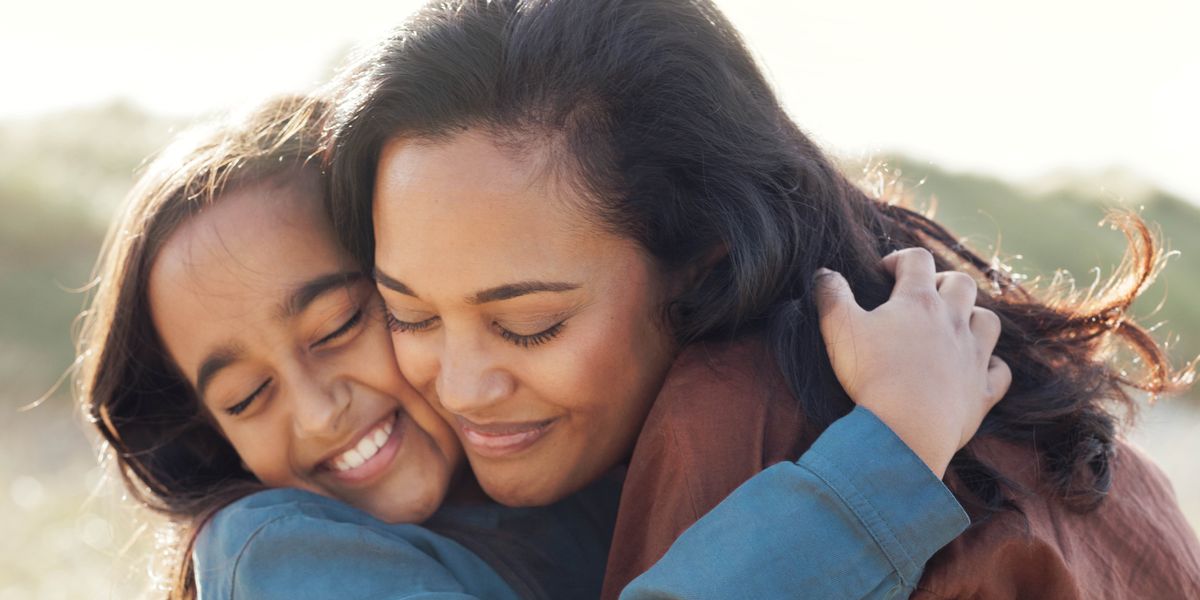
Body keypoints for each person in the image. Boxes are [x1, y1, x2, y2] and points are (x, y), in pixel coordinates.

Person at [323, 0, 1200, 597]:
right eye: (410, 314)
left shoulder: (740, 427)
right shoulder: (953, 366)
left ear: (702, 262)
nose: (462, 386)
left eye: (529, 325)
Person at [80, 94, 1003, 600]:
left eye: (337, 328)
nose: (319, 411)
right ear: (209, 435)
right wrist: (893, 441)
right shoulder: (274, 554)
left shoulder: (554, 478)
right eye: (245, 398)